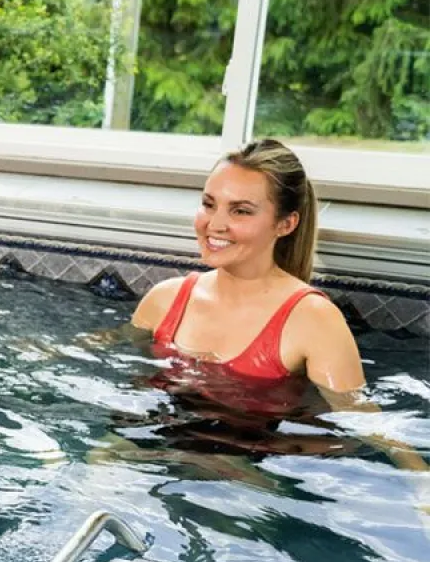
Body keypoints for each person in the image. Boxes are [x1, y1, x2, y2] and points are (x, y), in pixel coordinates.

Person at [130, 139, 360, 408]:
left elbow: (359, 419)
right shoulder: (164, 299)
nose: (215, 225)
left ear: (285, 224)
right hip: (149, 438)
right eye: (209, 204)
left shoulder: (313, 319)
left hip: (239, 445)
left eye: (240, 211)